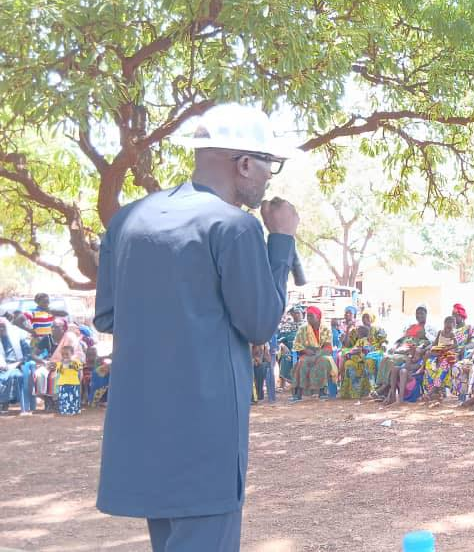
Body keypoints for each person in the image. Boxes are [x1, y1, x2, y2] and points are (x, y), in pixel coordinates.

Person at [94, 103, 298, 551]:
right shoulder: (235, 227)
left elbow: (109, 315)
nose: (268, 178)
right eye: (269, 166)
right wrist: (281, 240)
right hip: (205, 436)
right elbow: (261, 323)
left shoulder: (127, 219)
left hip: (144, 430)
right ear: (244, 164)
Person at [373, 306, 432, 399]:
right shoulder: (412, 326)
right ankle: (382, 388)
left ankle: (384, 388)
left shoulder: (429, 328)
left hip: (412, 352)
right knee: (385, 358)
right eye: (417, 313)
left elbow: (430, 342)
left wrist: (418, 348)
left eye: (421, 313)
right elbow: (401, 339)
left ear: (426, 315)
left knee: (391, 361)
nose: (419, 315)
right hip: (401, 349)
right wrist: (394, 347)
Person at [290, 306, 337, 401]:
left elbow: (328, 346)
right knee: (302, 363)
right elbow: (296, 344)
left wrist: (318, 354)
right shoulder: (302, 329)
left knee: (323, 362)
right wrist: (305, 350)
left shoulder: (326, 329)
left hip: (323, 353)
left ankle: (322, 390)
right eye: (308, 316)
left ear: (318, 317)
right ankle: (298, 392)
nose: (308, 319)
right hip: (307, 353)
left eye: (311, 316)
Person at [339, 313, 386, 399]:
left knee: (369, 362)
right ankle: (353, 393)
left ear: (372, 318)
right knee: (349, 363)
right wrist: (347, 330)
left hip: (373, 355)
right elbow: (347, 344)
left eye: (367, 317)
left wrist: (378, 348)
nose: (365, 319)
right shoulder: (358, 330)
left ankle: (372, 391)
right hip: (359, 355)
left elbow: (384, 343)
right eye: (363, 317)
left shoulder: (378, 329)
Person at [423, 316, 460, 404]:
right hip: (438, 353)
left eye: (450, 326)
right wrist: (434, 349)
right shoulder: (440, 332)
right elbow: (435, 343)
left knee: (444, 364)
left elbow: (456, 345)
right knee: (429, 362)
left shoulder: (452, 334)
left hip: (446, 354)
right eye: (447, 324)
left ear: (453, 326)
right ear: (444, 324)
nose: (448, 328)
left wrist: (447, 348)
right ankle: (433, 390)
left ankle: (433, 390)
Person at [1, 318, 33, 414]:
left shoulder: (16, 338)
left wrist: (18, 363)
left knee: (15, 375)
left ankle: (4, 403)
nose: (1, 329)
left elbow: (28, 355)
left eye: (3, 327)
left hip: (16, 366)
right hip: (2, 367)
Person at [54, 325, 85, 416]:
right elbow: (59, 373)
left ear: (72, 354)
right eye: (63, 354)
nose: (65, 356)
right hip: (63, 383)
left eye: (67, 354)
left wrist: (79, 380)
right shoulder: (60, 363)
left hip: (74, 383)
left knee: (74, 397)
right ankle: (65, 410)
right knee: (64, 397)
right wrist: (63, 364)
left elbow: (79, 372)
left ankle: (74, 410)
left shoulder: (76, 362)